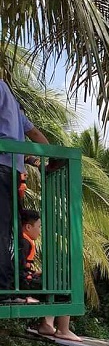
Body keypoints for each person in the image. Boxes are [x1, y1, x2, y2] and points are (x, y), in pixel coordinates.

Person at [1, 79, 51, 295]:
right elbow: (38, 137)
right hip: (11, 172)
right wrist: (49, 159)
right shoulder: (13, 103)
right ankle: (6, 283)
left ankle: (3, 285)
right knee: (6, 230)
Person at [18, 209, 81, 340]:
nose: (40, 231)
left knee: (52, 281)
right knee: (64, 289)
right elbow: (17, 270)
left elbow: (20, 267)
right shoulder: (24, 243)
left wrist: (35, 273)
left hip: (22, 281)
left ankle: (47, 325)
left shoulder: (22, 240)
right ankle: (63, 330)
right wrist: (27, 286)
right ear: (28, 227)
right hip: (22, 285)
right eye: (39, 227)